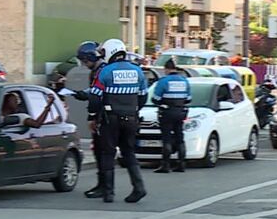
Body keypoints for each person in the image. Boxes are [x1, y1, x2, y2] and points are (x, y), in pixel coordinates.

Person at [88, 38, 148, 204]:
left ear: (111, 52)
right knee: (129, 152)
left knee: (108, 153)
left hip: (110, 119)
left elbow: (95, 97)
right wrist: (134, 110)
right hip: (131, 119)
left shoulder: (105, 71)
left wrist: (93, 115)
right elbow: (143, 96)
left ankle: (109, 192)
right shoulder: (137, 71)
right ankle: (139, 188)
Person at [69, 41, 107, 198]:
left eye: (85, 61)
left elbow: (97, 92)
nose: (84, 65)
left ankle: (105, 187)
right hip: (102, 115)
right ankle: (103, 185)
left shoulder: (101, 71)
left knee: (102, 152)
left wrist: (85, 96)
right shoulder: (98, 70)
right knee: (99, 151)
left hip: (103, 117)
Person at [151, 58, 192, 173]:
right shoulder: (184, 81)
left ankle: (165, 165)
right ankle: (181, 164)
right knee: (180, 137)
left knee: (166, 138)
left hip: (167, 112)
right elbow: (188, 99)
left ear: (167, 69)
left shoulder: (163, 81)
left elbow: (155, 99)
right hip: (180, 112)